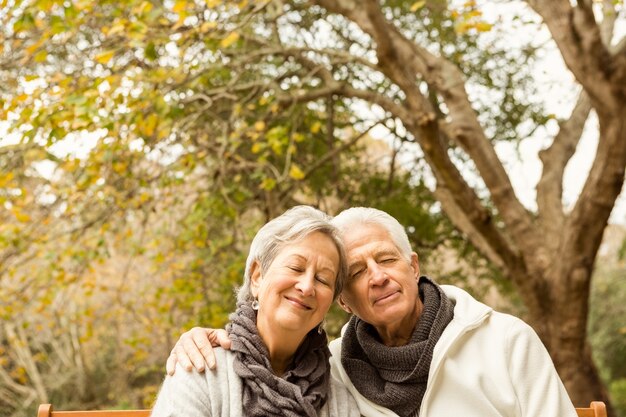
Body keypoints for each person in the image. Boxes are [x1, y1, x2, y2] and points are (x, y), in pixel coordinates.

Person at [167, 207, 578, 417]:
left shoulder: (505, 341)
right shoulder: (339, 370)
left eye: (387, 259)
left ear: (414, 267)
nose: (378, 277)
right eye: (358, 272)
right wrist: (197, 338)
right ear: (344, 302)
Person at [151, 206, 360, 417]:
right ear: (257, 277)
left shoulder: (339, 399)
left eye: (322, 279)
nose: (307, 287)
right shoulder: (200, 369)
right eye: (296, 268)